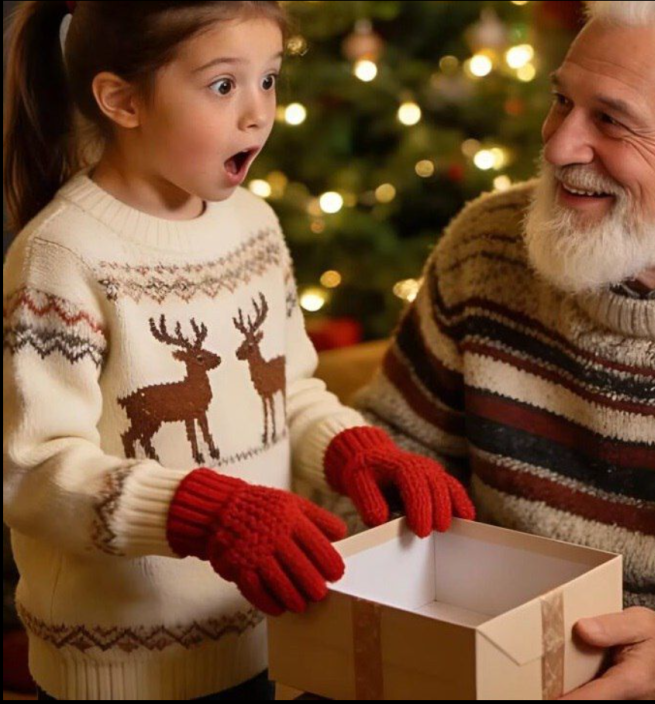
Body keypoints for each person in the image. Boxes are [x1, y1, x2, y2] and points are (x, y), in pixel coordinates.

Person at [1, 1, 475, 699]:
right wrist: (205, 513)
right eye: (224, 85)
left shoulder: (254, 224)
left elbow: (290, 392)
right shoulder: (62, 255)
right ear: (123, 101)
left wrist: (355, 450)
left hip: (260, 637)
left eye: (269, 79)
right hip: (120, 670)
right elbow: (34, 473)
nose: (258, 114)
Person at [354, 1, 655, 699]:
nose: (557, 146)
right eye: (562, 101)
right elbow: (392, 449)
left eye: (611, 120)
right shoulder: (488, 243)